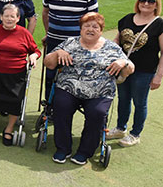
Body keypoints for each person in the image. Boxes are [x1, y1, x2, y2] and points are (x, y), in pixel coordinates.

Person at [44, 13, 134, 165]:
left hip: (100, 92)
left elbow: (130, 68)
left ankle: (85, 152)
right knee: (61, 106)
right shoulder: (69, 43)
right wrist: (58, 53)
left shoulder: (112, 47)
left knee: (97, 113)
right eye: (86, 26)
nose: (90, 29)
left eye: (95, 27)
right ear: (80, 29)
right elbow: (49, 63)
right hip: (69, 88)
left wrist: (123, 63)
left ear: (101, 30)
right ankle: (63, 148)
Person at [0, 4, 40, 143]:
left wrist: (33, 56)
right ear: (0, 17)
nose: (9, 19)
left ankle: (9, 129)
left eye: (12, 16)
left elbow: (35, 50)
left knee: (15, 102)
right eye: (6, 16)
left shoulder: (24, 33)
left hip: (15, 75)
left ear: (18, 18)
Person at [107, 0, 163, 147]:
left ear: (156, 5)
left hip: (144, 71)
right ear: (138, 2)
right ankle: (120, 128)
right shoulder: (127, 19)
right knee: (123, 99)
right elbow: (117, 41)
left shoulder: (159, 24)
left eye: (151, 1)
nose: (146, 4)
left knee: (140, 102)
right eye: (143, 0)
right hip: (124, 68)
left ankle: (135, 133)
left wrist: (158, 76)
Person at [42, 0, 98, 99]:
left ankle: (66, 109)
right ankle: (49, 107)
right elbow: (45, 13)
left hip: (77, 45)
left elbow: (93, 21)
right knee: (50, 76)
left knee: (73, 78)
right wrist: (48, 33)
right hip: (54, 41)